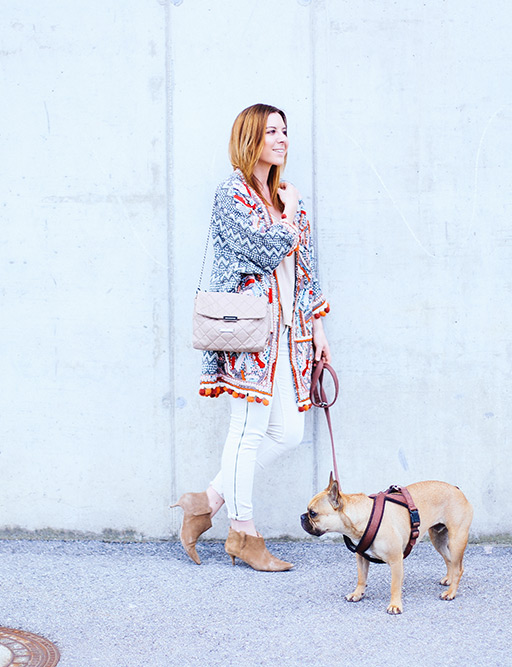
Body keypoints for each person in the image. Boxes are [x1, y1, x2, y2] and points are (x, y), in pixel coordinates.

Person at [172, 103, 331, 571]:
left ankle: (209, 501)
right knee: (247, 429)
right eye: (272, 131)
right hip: (248, 333)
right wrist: (293, 214)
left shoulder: (284, 194)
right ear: (251, 139)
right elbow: (262, 252)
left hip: (288, 332)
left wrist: (318, 328)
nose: (282, 139)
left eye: (285, 130)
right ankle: (244, 533)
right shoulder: (232, 195)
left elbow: (307, 269)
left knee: (288, 431)